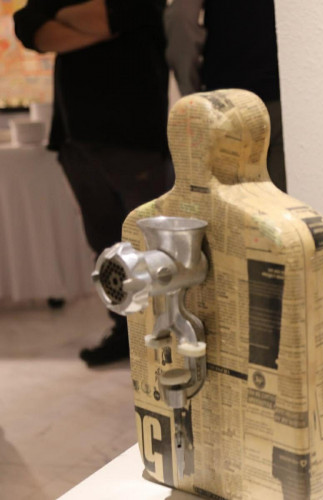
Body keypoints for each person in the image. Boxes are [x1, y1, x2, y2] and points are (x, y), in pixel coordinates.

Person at [14, 0, 172, 366]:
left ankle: (164, 332)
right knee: (104, 247)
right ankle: (124, 330)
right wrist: (94, 26)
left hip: (134, 138)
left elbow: (116, 16)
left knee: (152, 246)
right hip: (77, 140)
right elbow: (30, 27)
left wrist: (59, 13)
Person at [164, 0, 286, 192]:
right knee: (286, 203)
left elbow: (181, 18)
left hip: (230, 102)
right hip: (284, 99)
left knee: (236, 204)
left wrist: (191, 90)